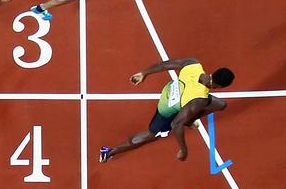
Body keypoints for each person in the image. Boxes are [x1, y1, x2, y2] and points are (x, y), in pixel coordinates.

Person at [99, 57, 235, 163]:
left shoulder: (194, 64)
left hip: (172, 92)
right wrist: (183, 150)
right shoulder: (200, 100)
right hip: (166, 108)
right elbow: (176, 124)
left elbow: (165, 64)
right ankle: (109, 151)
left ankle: (189, 119)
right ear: (220, 86)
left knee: (221, 105)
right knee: (150, 135)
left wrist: (144, 73)